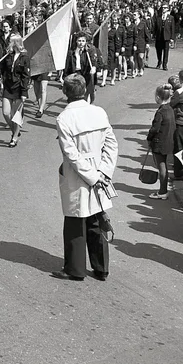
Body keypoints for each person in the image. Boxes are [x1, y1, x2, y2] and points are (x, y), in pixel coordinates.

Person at [53, 73, 118, 282]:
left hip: (77, 173)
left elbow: (71, 154)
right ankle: (101, 268)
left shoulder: (64, 118)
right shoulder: (99, 112)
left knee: (75, 220)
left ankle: (75, 268)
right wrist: (103, 172)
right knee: (97, 218)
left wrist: (91, 176)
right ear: (84, 90)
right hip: (99, 169)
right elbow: (111, 144)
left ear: (65, 93)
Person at [0, 34, 30, 148]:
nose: (9, 44)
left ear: (16, 43)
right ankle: (15, 131)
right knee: (6, 113)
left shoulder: (24, 57)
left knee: (16, 115)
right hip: (8, 86)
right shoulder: (7, 55)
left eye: (11, 42)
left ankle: (14, 137)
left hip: (18, 88)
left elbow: (26, 76)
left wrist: (24, 92)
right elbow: (1, 70)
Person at [146, 83, 175, 200]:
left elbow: (155, 129)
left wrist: (149, 138)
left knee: (161, 167)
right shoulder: (170, 109)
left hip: (159, 142)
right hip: (168, 141)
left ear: (158, 97)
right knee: (164, 166)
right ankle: (163, 189)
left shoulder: (160, 112)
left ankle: (163, 191)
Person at [65, 32, 98, 104]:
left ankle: (88, 103)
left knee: (89, 92)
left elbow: (93, 60)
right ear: (76, 41)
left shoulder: (89, 50)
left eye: (83, 41)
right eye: (79, 41)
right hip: (75, 74)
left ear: (86, 42)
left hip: (86, 73)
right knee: (77, 93)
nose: (81, 43)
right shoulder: (71, 51)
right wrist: (65, 76)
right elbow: (67, 64)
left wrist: (94, 68)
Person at [153, 7, 175, 71]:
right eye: (163, 8)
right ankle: (159, 62)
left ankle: (164, 65)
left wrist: (172, 38)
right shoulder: (158, 17)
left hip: (166, 37)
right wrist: (154, 35)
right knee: (158, 50)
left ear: (167, 9)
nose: (163, 9)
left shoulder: (171, 18)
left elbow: (172, 28)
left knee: (166, 51)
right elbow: (155, 27)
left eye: (165, 8)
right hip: (159, 37)